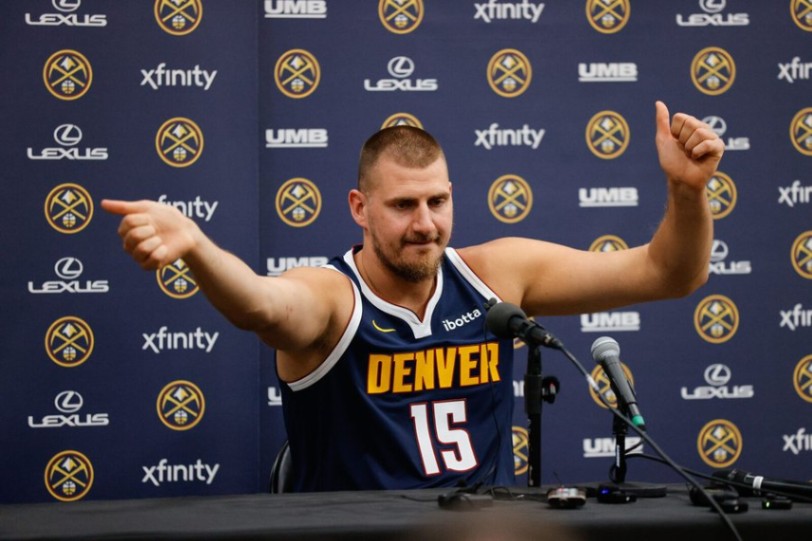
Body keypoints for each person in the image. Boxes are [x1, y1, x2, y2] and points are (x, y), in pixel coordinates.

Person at [102, 101, 723, 492]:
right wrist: (197, 246)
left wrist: (688, 192)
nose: (425, 224)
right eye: (403, 205)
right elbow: (260, 305)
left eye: (437, 201)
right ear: (360, 207)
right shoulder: (333, 296)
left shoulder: (495, 275)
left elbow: (669, 274)